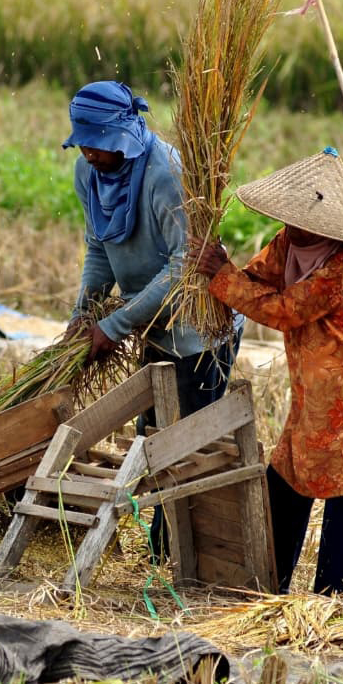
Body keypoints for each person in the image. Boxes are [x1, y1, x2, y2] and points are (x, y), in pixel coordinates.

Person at [188, 147, 343, 595]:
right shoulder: (289, 242)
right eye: (293, 221)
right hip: (314, 388)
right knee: (286, 473)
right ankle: (265, 581)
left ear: (331, 226)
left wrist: (224, 279)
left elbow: (286, 310)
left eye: (309, 225)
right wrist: (223, 270)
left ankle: (337, 598)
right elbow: (259, 278)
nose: (297, 231)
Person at [61, 80, 242, 557]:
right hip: (152, 323)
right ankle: (162, 551)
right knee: (152, 434)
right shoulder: (89, 172)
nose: (88, 152)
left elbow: (184, 266)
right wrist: (86, 314)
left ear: (120, 135)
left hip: (198, 331)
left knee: (186, 446)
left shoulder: (168, 175)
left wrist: (115, 326)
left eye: (96, 142)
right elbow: (99, 246)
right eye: (82, 141)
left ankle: (185, 557)